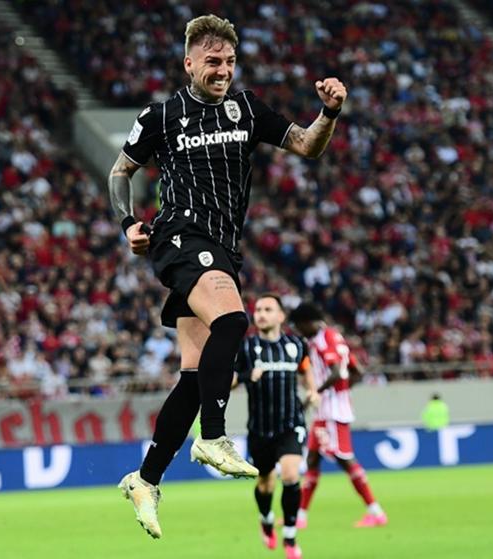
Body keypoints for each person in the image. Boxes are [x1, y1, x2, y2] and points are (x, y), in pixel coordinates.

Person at [111, 14, 347, 539]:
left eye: (230, 62)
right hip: (179, 237)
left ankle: (146, 479)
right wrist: (128, 223)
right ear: (189, 63)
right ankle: (213, 437)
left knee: (195, 377)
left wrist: (329, 112)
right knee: (235, 320)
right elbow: (120, 172)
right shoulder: (161, 116)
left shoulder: (247, 109)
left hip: (221, 250)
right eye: (213, 61)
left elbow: (307, 144)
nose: (222, 70)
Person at [233, 294, 318, 559]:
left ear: (281, 316)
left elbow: (305, 369)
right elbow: (228, 381)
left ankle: (290, 537)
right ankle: (266, 519)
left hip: (290, 423)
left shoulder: (296, 344)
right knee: (265, 484)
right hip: (259, 428)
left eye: (268, 309)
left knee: (291, 475)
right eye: (258, 309)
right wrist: (247, 376)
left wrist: (312, 390)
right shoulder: (246, 347)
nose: (260, 314)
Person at [288, 303, 387, 529]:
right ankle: (299, 516)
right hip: (326, 410)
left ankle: (376, 512)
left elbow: (336, 372)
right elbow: (357, 372)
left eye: (299, 326)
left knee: (344, 459)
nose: (298, 331)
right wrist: (341, 393)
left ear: (308, 322)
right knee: (313, 460)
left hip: (331, 412)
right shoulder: (333, 337)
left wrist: (317, 393)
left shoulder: (325, 339)